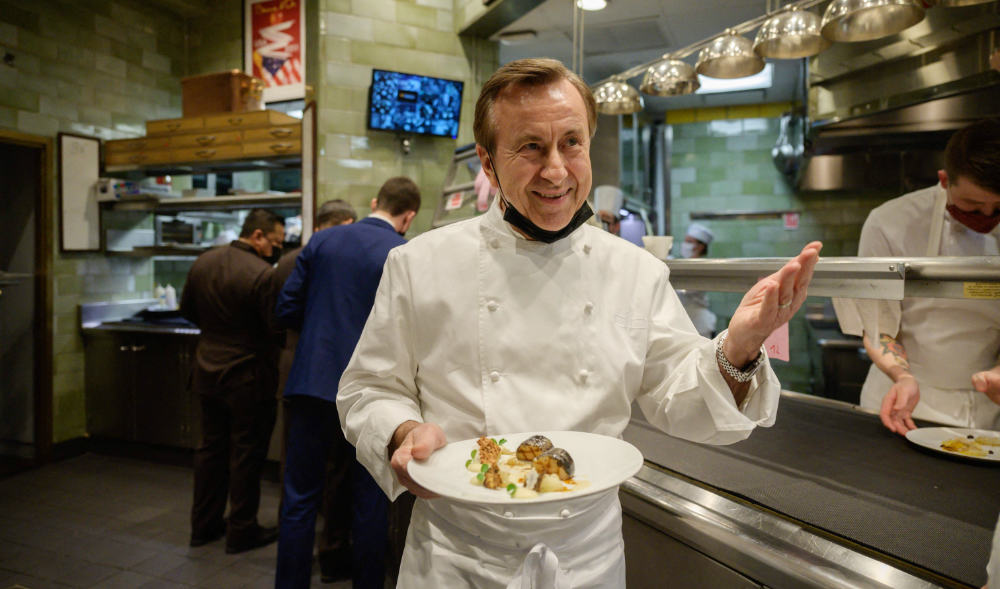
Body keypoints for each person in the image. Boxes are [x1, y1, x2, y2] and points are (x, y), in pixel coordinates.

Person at [336, 58, 822, 588]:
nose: (556, 170)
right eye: (530, 147)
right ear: (488, 162)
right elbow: (369, 389)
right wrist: (404, 432)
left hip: (586, 559)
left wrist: (741, 346)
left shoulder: (634, 270)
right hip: (459, 558)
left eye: (572, 143)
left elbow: (680, 400)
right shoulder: (419, 263)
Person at [274, 178, 422, 589]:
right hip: (370, 395)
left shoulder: (323, 241)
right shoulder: (403, 252)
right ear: (408, 216)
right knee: (368, 501)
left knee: (300, 497)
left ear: (375, 202)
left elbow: (286, 306)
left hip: (311, 383)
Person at [834, 118, 1000, 435]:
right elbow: (877, 324)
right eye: (973, 205)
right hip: (904, 398)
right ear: (944, 180)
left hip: (989, 408)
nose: (987, 218)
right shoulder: (891, 223)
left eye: (999, 208)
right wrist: (903, 377)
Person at [180, 208, 285, 554]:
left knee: (209, 451)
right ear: (257, 236)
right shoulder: (261, 275)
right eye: (274, 243)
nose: (275, 251)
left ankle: (204, 526)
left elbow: (187, 311)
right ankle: (241, 530)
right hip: (247, 378)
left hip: (206, 371)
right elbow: (274, 331)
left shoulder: (202, 263)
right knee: (246, 456)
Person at [677, 222, 717, 338]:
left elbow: (687, 290)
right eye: (685, 241)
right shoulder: (682, 264)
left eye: (689, 242)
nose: (685, 245)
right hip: (684, 322)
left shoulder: (704, 266)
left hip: (699, 324)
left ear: (700, 246)